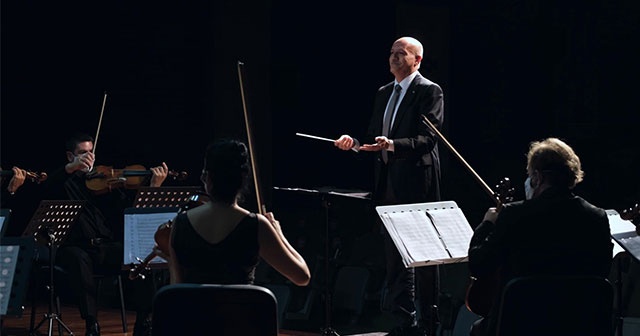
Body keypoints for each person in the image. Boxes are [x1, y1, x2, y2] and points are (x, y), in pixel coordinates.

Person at [335, 36, 444, 336]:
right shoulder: (385, 92)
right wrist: (354, 144)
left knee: (421, 258)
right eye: (392, 53)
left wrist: (393, 144)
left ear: (417, 60)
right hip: (388, 184)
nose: (394, 58)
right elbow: (373, 137)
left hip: (415, 184)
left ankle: (427, 324)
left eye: (402, 53)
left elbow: (428, 139)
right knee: (395, 259)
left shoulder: (429, 91)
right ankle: (403, 323)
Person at [467, 137, 613, 336]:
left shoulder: (515, 214)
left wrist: (487, 224)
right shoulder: (597, 217)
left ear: (537, 177)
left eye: (529, 175)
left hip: (522, 325)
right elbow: (602, 271)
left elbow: (479, 264)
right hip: (578, 326)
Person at [42, 132, 169, 336]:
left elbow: (132, 210)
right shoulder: (63, 183)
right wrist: (70, 169)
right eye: (82, 153)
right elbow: (47, 185)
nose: (88, 158)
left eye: (91, 153)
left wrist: (153, 186)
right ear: (69, 156)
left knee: (142, 256)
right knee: (78, 258)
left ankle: (144, 320)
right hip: (76, 248)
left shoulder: (106, 183)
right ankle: (91, 323)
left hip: (105, 247)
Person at [153, 138, 311, 288]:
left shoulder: (180, 224)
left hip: (198, 316)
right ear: (243, 178)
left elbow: (178, 293)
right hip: (240, 316)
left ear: (206, 177)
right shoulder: (256, 225)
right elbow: (302, 277)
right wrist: (279, 234)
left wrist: (172, 264)